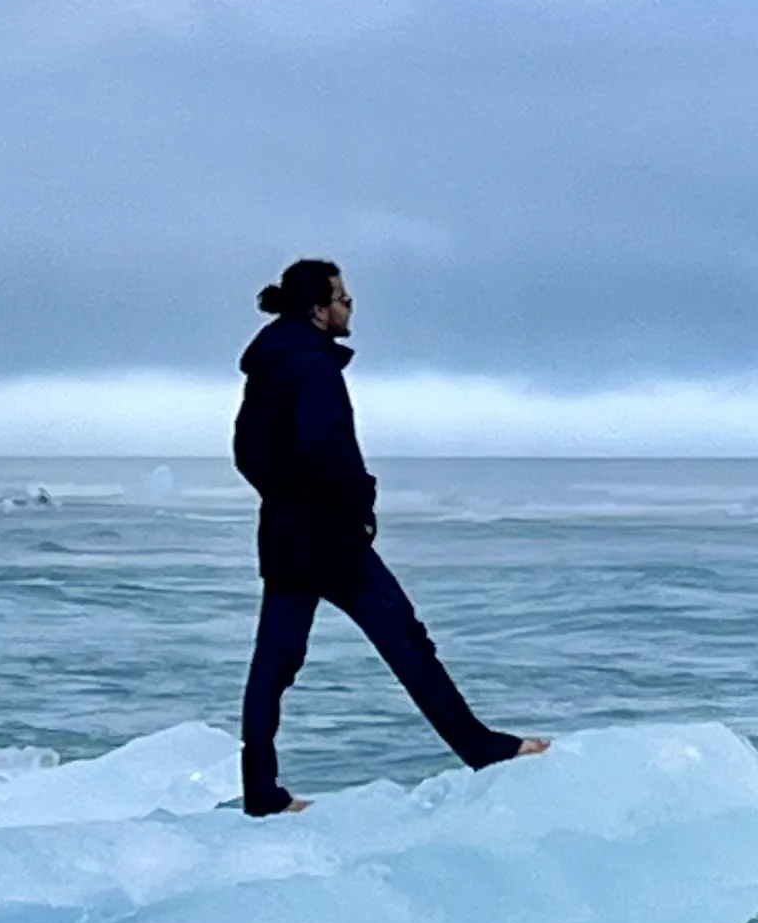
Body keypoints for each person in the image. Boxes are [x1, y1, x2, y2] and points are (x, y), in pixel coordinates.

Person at [231, 258, 545, 819]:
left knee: (274, 664)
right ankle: (481, 748)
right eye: (343, 298)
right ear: (318, 309)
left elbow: (246, 454)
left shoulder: (270, 366)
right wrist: (358, 505)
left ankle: (261, 792)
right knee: (406, 639)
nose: (351, 307)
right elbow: (327, 451)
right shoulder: (313, 367)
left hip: (284, 535)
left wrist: (285, 500)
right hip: (330, 539)